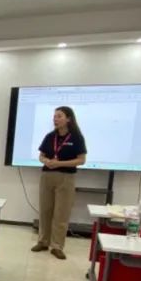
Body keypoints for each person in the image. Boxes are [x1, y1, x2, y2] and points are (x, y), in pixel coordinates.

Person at [32, 106, 87, 259]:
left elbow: (81, 160)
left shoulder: (76, 137)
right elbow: (41, 156)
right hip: (47, 176)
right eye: (54, 116)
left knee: (61, 213)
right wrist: (46, 161)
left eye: (59, 116)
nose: (55, 119)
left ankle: (57, 246)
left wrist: (59, 163)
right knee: (45, 210)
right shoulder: (50, 136)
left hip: (66, 177)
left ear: (68, 119)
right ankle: (43, 241)